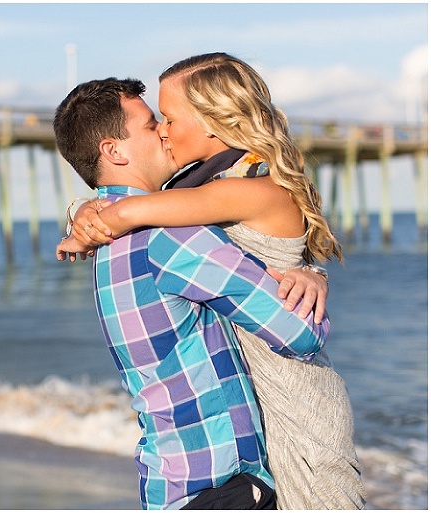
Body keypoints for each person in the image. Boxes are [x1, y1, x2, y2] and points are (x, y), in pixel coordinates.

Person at [59, 53, 365, 510]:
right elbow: (298, 329)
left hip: (250, 426)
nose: (162, 129)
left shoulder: (190, 205)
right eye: (152, 123)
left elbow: (143, 210)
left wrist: (95, 214)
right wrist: (90, 212)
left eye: (167, 118)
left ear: (212, 121)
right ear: (115, 150)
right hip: (230, 461)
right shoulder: (176, 220)